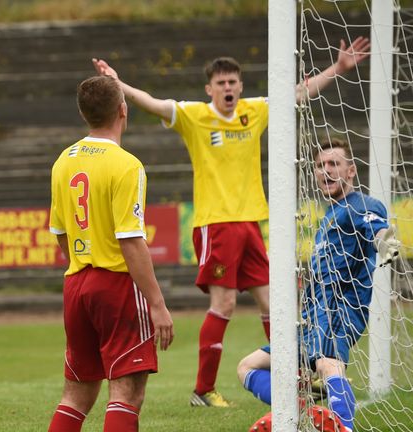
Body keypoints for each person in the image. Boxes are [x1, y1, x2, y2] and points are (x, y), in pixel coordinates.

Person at [93, 36, 371, 407]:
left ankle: (296, 377)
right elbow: (153, 103)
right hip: (215, 222)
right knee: (223, 305)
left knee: (274, 305)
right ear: (210, 88)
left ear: (240, 85)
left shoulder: (253, 111)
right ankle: (203, 389)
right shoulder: (195, 115)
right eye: (221, 83)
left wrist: (337, 69)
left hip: (250, 223)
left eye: (233, 82)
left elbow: (298, 94)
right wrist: (117, 82)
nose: (228, 88)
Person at [237, 138, 401, 432]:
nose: (325, 171)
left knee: (328, 364)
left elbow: (377, 228)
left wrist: (387, 244)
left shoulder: (361, 204)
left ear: (350, 171)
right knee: (247, 366)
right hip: (313, 315)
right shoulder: (328, 215)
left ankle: (344, 428)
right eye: (320, 166)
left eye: (333, 164)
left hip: (340, 306)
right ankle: (301, 411)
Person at [46, 75, 174, 432]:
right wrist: (158, 304)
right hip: (115, 284)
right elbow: (131, 240)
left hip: (76, 284)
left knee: (77, 393)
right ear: (123, 110)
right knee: (127, 392)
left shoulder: (63, 160)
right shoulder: (126, 165)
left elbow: (60, 233)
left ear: (83, 113)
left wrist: (82, 262)